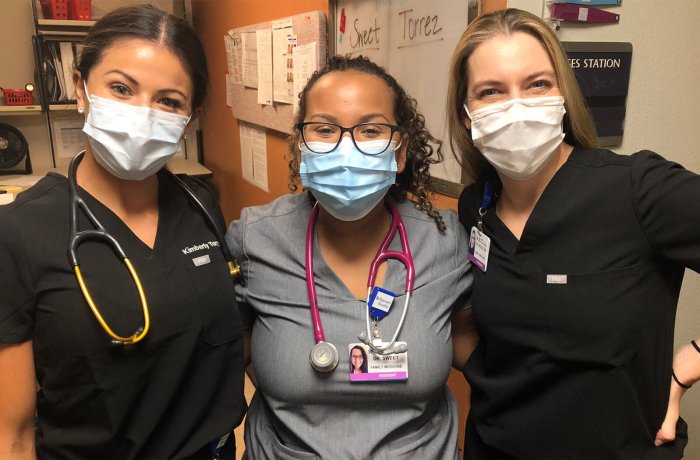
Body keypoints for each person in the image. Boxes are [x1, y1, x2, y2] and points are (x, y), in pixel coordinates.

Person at [447, 8, 700, 459]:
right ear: (466, 114)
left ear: (563, 93)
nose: (516, 106)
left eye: (537, 84)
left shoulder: (636, 190)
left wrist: (685, 366)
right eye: (491, 92)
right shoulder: (476, 208)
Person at [0, 5, 245, 459]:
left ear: (190, 118)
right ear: (80, 88)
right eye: (121, 88)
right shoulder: (18, 234)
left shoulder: (200, 205)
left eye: (168, 101)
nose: (142, 115)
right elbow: (10, 435)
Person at [226, 55, 475, 459]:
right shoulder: (256, 240)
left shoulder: (445, 241)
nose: (347, 147)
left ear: (400, 150)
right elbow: (225, 349)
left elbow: (470, 340)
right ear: (301, 145)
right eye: (324, 129)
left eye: (371, 129)